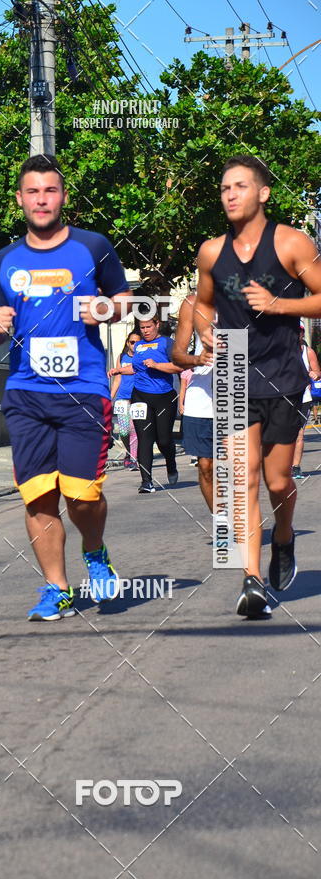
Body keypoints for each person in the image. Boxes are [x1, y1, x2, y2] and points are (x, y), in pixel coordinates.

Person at [0, 154, 133, 621]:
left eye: (50, 190)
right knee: (38, 493)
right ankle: (56, 588)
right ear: (20, 200)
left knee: (82, 494)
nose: (41, 199)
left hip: (84, 389)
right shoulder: (4, 259)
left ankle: (95, 550)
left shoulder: (93, 246)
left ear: (62, 197)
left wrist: (104, 311)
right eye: (33, 191)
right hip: (27, 392)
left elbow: (126, 302)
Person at [194, 154, 321, 618]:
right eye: (225, 187)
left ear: (263, 193)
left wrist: (277, 304)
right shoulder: (211, 251)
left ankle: (283, 536)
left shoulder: (290, 242)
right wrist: (205, 331)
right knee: (239, 480)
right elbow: (204, 304)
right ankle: (250, 580)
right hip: (234, 373)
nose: (230, 194)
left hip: (283, 375)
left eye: (240, 186)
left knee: (277, 480)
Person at [122, 315, 182, 493]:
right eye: (142, 328)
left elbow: (178, 367)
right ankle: (146, 481)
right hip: (140, 396)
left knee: (163, 440)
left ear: (157, 325)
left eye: (149, 327)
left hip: (164, 397)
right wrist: (119, 370)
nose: (146, 330)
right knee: (144, 439)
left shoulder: (167, 343)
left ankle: (171, 464)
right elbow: (135, 368)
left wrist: (156, 365)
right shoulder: (138, 345)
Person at [172, 294, 214, 510]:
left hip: (239, 395)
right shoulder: (192, 303)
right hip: (201, 399)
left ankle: (241, 519)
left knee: (239, 467)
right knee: (206, 465)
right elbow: (177, 355)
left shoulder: (247, 297)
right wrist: (197, 359)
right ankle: (222, 521)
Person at [292, 326, 321, 479]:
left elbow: (317, 372)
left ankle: (295, 467)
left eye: (300, 331)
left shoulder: (308, 351)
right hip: (282, 398)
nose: (298, 333)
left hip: (303, 398)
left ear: (303, 333)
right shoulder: (280, 350)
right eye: (295, 330)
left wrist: (315, 374)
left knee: (299, 434)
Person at [109, 330, 140, 470]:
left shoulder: (142, 357)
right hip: (122, 397)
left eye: (137, 342)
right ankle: (129, 452)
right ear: (128, 343)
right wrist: (110, 397)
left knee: (133, 429)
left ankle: (134, 458)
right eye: (132, 342)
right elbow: (117, 379)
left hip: (138, 397)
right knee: (123, 431)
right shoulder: (121, 357)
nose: (134, 345)